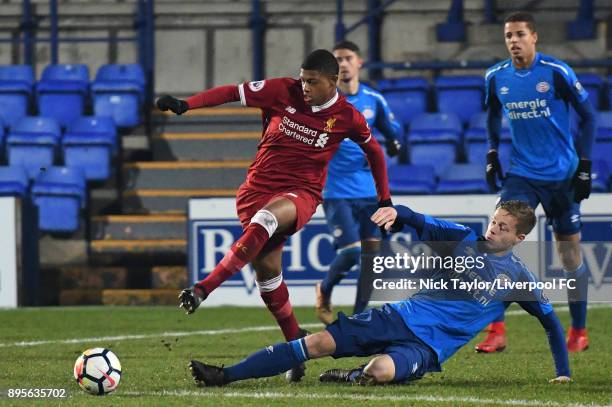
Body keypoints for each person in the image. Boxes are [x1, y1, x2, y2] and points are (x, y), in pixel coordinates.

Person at [156, 49, 393, 382]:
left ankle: (203, 289)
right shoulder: (283, 90)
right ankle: (295, 347)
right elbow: (231, 92)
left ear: (332, 81)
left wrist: (385, 198)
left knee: (266, 221)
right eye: (303, 78)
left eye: (312, 81)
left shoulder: (346, 116)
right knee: (268, 277)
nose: (305, 86)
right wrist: (186, 104)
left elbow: (375, 151)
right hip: (255, 190)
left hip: (301, 194)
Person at [187, 200, 572, 386]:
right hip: (396, 316)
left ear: (520, 238)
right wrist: (394, 213)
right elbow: (414, 217)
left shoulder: (520, 279)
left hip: (427, 349)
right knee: (316, 343)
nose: (492, 230)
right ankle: (224, 375)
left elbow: (552, 325)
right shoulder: (461, 237)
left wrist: (563, 374)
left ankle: (355, 375)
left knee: (381, 371)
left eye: (503, 228)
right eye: (493, 221)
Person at [479, 11, 596, 354]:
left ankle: (579, 330)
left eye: (519, 34)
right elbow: (491, 115)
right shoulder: (495, 77)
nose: (513, 41)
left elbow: (589, 116)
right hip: (522, 174)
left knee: (569, 253)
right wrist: (491, 152)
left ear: (534, 38)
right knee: (499, 241)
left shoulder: (556, 72)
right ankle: (496, 329)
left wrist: (585, 166)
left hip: (562, 175)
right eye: (508, 36)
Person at [316, 40, 403, 324]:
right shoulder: (324, 102)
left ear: (359, 62)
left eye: (347, 58)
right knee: (353, 251)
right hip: (336, 189)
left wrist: (393, 145)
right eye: (337, 59)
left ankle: (358, 318)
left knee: (372, 258)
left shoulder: (374, 100)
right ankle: (325, 287)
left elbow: (393, 132)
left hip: (369, 191)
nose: (342, 64)